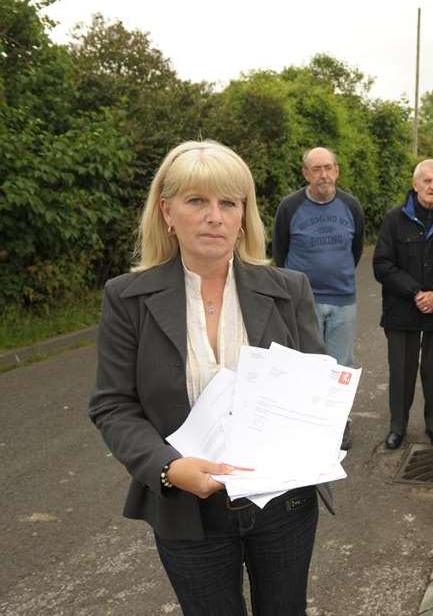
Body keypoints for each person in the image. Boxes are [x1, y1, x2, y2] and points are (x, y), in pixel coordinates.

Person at [89, 140, 331, 615]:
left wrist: (324, 431)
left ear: (244, 214)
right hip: (185, 508)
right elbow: (113, 405)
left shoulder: (288, 289)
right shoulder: (128, 298)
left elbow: (317, 389)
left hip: (283, 504)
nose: (214, 216)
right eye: (197, 201)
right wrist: (167, 467)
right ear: (166, 212)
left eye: (229, 202)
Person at [373, 159, 433, 449]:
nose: (432, 186)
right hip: (401, 311)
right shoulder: (394, 219)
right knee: (401, 374)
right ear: (415, 185)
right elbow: (382, 264)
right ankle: (397, 428)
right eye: (426, 181)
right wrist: (416, 292)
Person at [273, 147, 364, 450]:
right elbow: (280, 253)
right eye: (316, 169)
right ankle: (304, 423)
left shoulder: (351, 206)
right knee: (303, 365)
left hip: (342, 299)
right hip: (302, 302)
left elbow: (357, 250)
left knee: (341, 367)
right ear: (305, 174)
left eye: (328, 168)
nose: (323, 175)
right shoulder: (290, 207)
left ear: (337, 170)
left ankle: (341, 425)